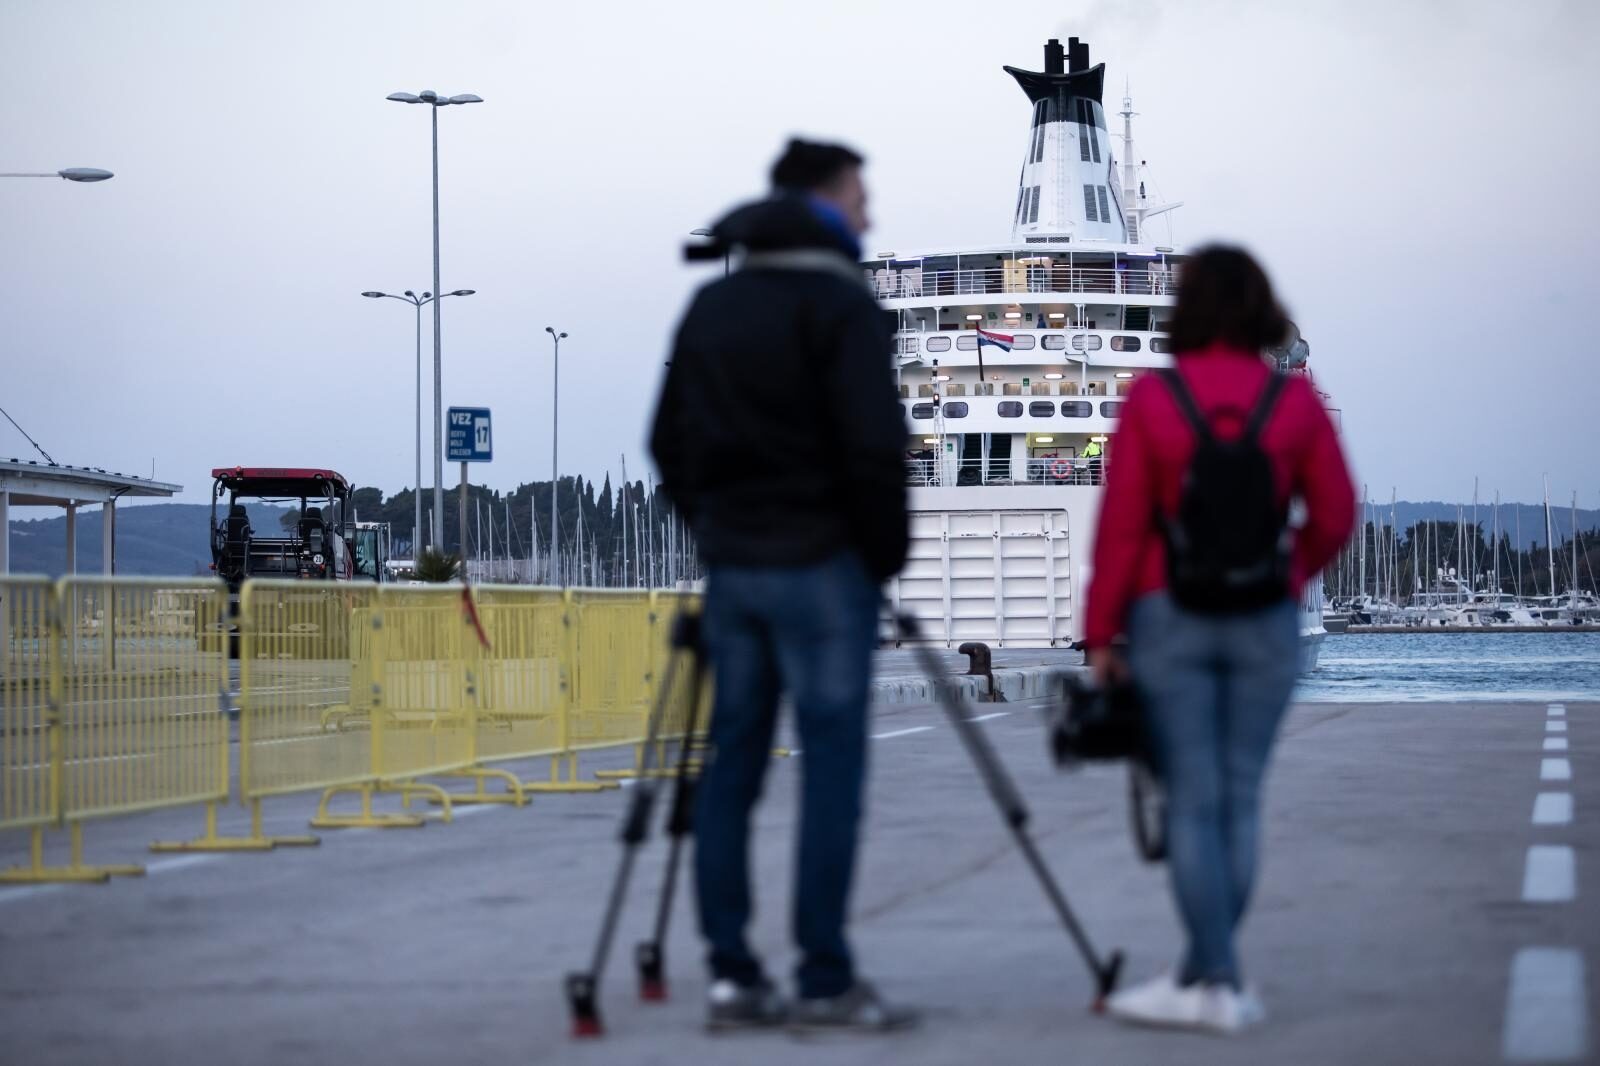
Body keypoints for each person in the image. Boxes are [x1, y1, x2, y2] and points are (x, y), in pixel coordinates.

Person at [649, 138, 915, 1032]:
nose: (869, 215)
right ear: (825, 201)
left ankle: (730, 972)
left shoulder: (712, 306)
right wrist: (877, 557)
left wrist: (717, 528)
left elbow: (666, 443)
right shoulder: (841, 305)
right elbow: (877, 449)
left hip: (737, 571)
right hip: (823, 567)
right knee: (832, 771)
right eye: (860, 197)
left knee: (732, 765)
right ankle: (823, 975)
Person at [1084, 245, 1355, 1035]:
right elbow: (1337, 515)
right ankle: (1212, 977)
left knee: (1193, 805)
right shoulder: (1294, 404)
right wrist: (1288, 575)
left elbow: (1123, 528)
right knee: (1240, 799)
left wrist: (1103, 633)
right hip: (1265, 620)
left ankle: (1213, 982)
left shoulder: (1153, 399)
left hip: (1171, 615)